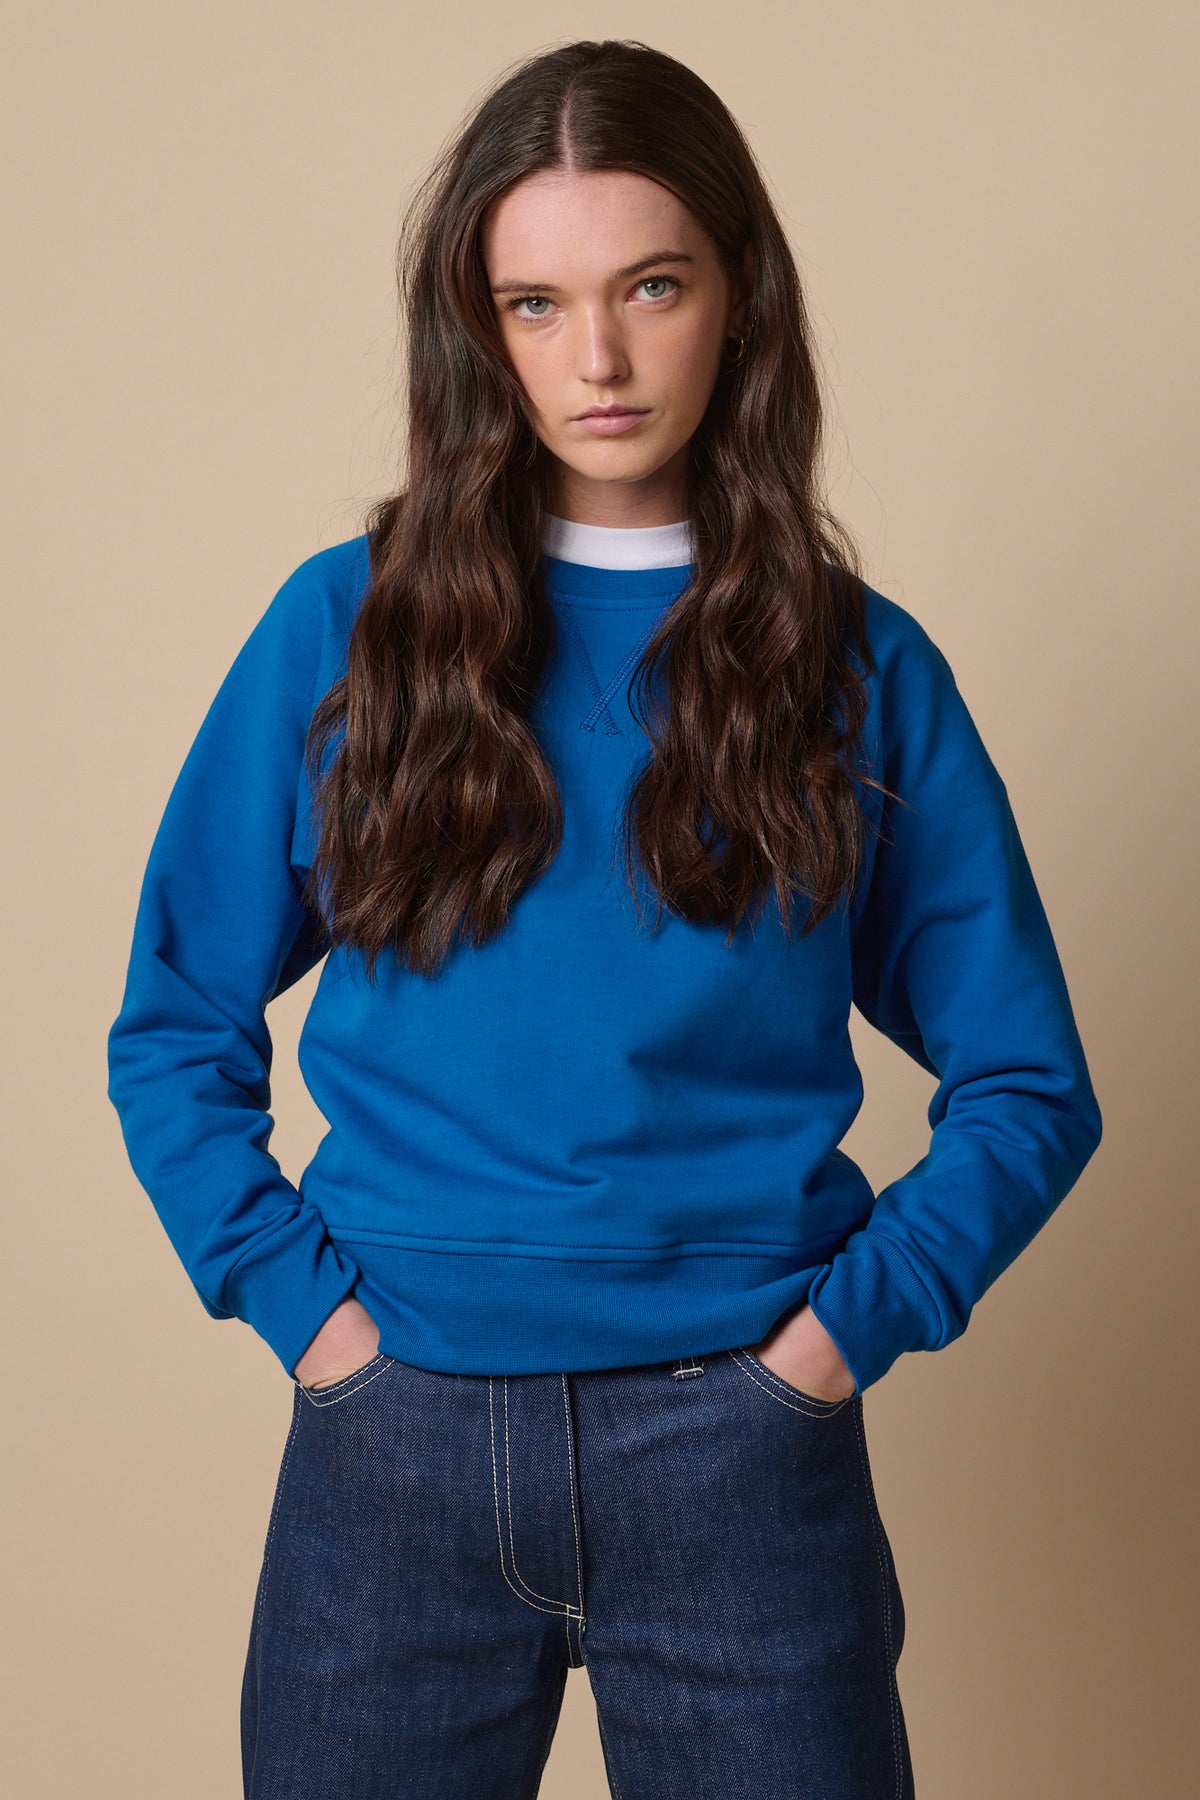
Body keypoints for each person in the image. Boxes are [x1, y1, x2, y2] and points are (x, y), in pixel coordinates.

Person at [106, 37, 1102, 1800]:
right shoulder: (343, 634)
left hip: (743, 1452)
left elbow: (1030, 1084)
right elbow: (175, 1028)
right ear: (478, 330)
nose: (602, 358)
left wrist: (825, 1348)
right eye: (537, 301)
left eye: (652, 284)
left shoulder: (859, 666)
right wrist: (314, 1324)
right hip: (391, 1433)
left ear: (739, 295)